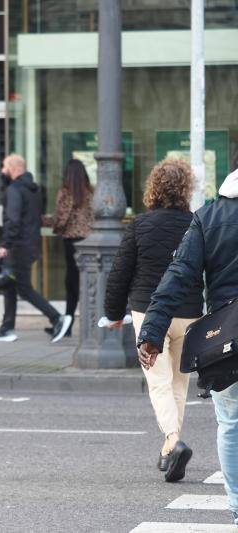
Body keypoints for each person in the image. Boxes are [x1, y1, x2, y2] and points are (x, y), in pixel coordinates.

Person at [138, 165, 238, 523]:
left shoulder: (209, 216)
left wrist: (152, 330)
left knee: (230, 423)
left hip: (228, 340)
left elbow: (179, 274)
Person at [105, 159, 203, 481]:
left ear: (154, 188)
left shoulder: (139, 225)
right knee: (179, 383)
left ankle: (173, 443)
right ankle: (168, 451)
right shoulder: (196, 222)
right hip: (188, 312)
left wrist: (114, 312)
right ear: (186, 188)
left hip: (148, 313)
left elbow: (120, 273)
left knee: (158, 382)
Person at [0, 154, 72, 343]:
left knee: (23, 288)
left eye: (4, 167)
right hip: (30, 243)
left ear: (14, 168)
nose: (2, 171)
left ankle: (57, 318)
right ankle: (6, 329)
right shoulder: (34, 189)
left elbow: (13, 219)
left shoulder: (15, 189)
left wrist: (5, 244)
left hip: (18, 246)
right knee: (9, 285)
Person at [46, 159, 94, 338]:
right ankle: (88, 323)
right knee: (88, 283)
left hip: (72, 242)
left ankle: (67, 325)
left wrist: (48, 222)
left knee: (71, 285)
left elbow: (61, 219)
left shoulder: (66, 192)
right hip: (90, 242)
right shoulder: (91, 191)